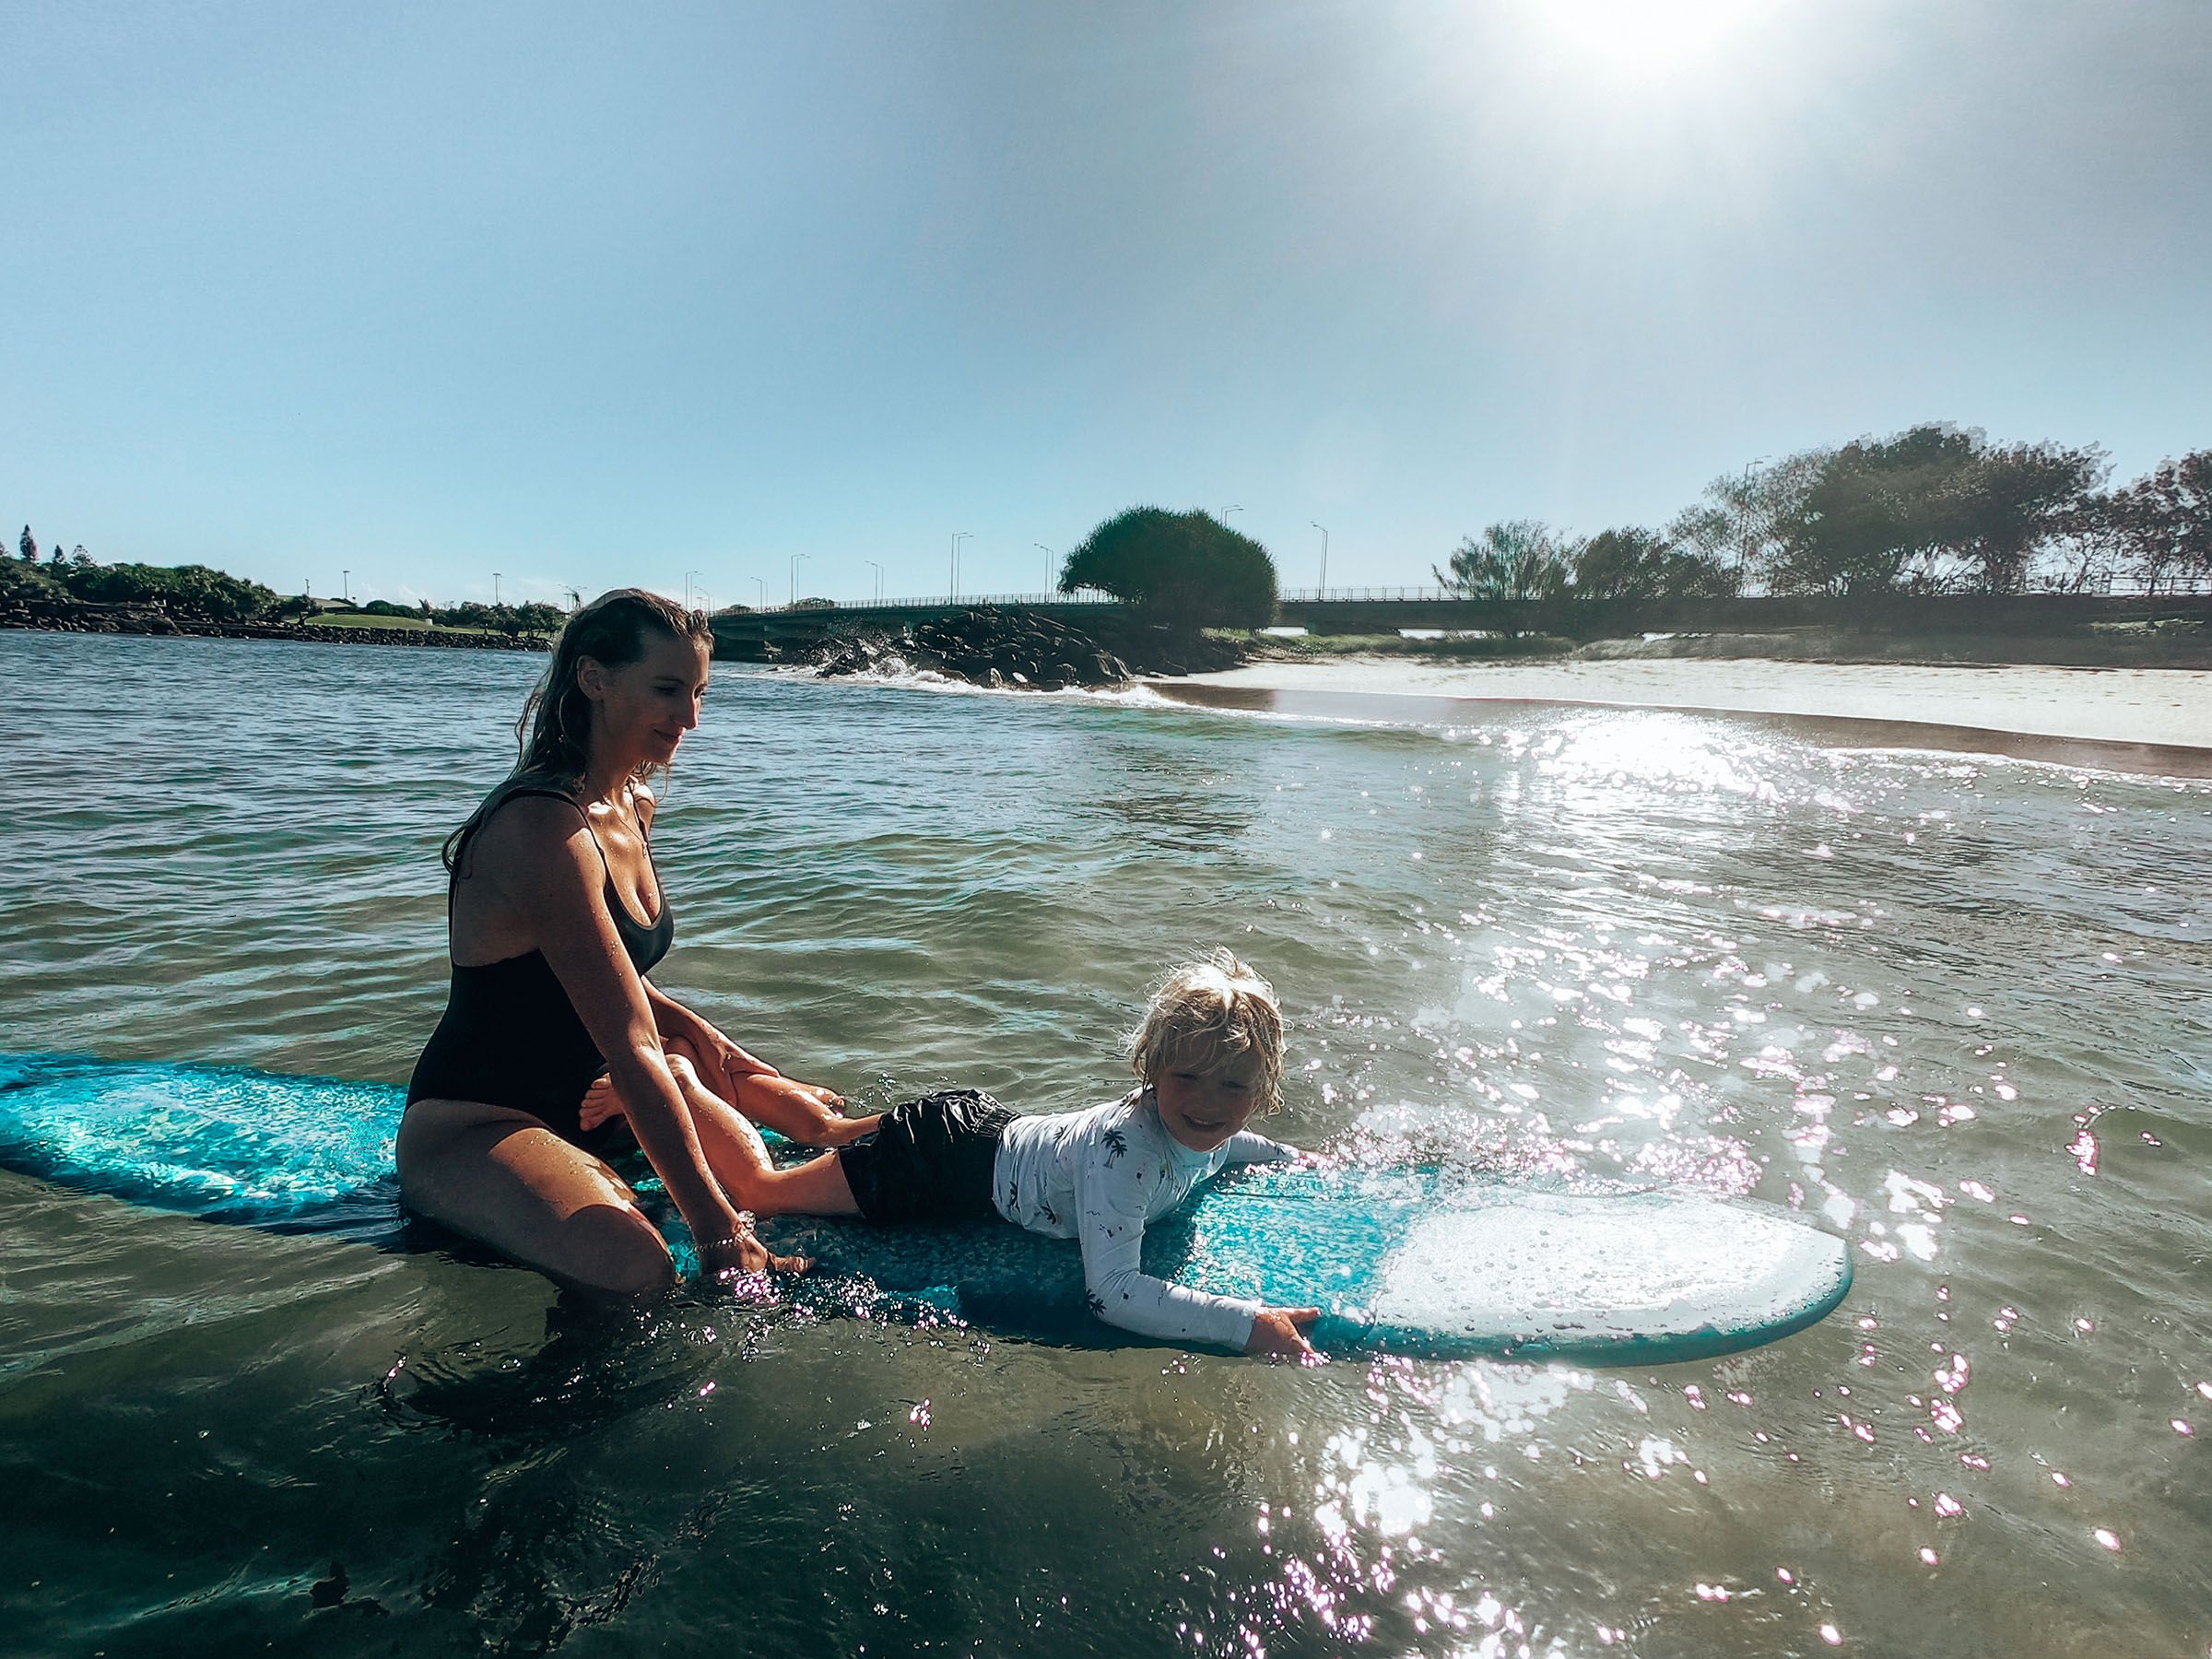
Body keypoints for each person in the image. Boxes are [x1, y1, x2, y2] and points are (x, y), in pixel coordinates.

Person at [396, 588, 874, 1297]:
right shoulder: (541, 831)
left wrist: (731, 1058)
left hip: (597, 1098)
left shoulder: (630, 804)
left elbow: (614, 980)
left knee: (766, 1118)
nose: (689, 718)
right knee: (637, 1268)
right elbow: (630, 1043)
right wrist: (720, 1236)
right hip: (480, 1124)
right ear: (594, 680)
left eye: (700, 692)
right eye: (667, 689)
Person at [695, 949, 1327, 1359]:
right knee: (759, 1192)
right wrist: (1248, 1325)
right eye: (1188, 1078)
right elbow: (1113, 1293)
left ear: (1261, 1090)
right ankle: (677, 1084)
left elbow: (1227, 1147)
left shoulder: (1200, 1128)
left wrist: (1288, 1156)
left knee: (832, 1136)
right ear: (1152, 1069)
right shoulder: (1129, 1156)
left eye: (1233, 1086)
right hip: (938, 1162)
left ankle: (728, 1086)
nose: (1208, 1105)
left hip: (979, 1125)